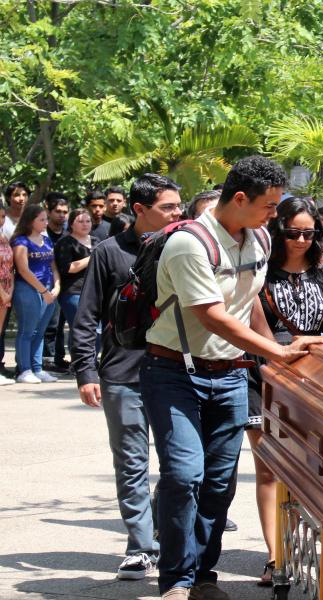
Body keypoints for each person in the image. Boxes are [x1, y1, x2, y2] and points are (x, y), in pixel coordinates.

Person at [141, 156, 323, 599]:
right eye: (269, 206)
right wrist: (276, 350)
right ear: (239, 198)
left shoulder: (258, 238)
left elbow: (248, 302)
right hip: (174, 372)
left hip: (229, 378)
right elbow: (213, 316)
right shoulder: (190, 243)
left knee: (219, 484)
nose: (274, 217)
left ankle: (203, 576)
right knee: (185, 475)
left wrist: (274, 360)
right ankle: (176, 581)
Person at [71, 173, 184, 581]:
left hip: (176, 373)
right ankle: (141, 547)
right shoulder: (109, 252)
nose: (177, 212)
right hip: (122, 375)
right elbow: (86, 317)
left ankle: (161, 530)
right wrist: (86, 370)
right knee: (132, 464)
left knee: (180, 467)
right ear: (139, 210)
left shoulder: (186, 248)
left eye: (178, 205)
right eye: (168, 207)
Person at [246, 198, 323, 587]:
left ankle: (306, 546)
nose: (302, 240)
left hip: (317, 378)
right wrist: (280, 354)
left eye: (309, 232)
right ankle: (275, 557)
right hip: (266, 371)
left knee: (313, 469)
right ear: (278, 231)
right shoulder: (259, 272)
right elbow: (256, 330)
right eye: (293, 232)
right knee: (268, 468)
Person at [11, 204, 60, 384]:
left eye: (46, 219)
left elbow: (53, 266)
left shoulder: (46, 240)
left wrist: (57, 285)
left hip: (48, 288)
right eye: (42, 219)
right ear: (30, 221)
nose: (46, 222)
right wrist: (44, 291)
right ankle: (24, 370)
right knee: (27, 331)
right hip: (28, 289)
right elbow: (23, 270)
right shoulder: (21, 242)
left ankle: (37, 368)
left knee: (40, 331)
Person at [54, 209, 96, 355]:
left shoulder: (97, 241)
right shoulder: (65, 243)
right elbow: (68, 268)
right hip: (73, 292)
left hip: (95, 292)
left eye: (88, 221)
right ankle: (79, 363)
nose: (85, 224)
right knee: (80, 328)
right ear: (71, 224)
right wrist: (92, 257)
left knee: (97, 330)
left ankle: (91, 361)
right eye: (80, 221)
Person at [43, 193, 70, 369]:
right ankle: (48, 358)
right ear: (49, 211)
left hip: (66, 284)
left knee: (61, 324)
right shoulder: (42, 233)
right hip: (46, 283)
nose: (61, 215)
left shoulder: (69, 235)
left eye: (65, 211)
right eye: (58, 211)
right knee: (49, 324)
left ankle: (58, 357)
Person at [0, 216, 13, 385]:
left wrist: (9, 290)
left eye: (3, 216)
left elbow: (10, 266)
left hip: (7, 287)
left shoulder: (4, 235)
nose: (1, 220)